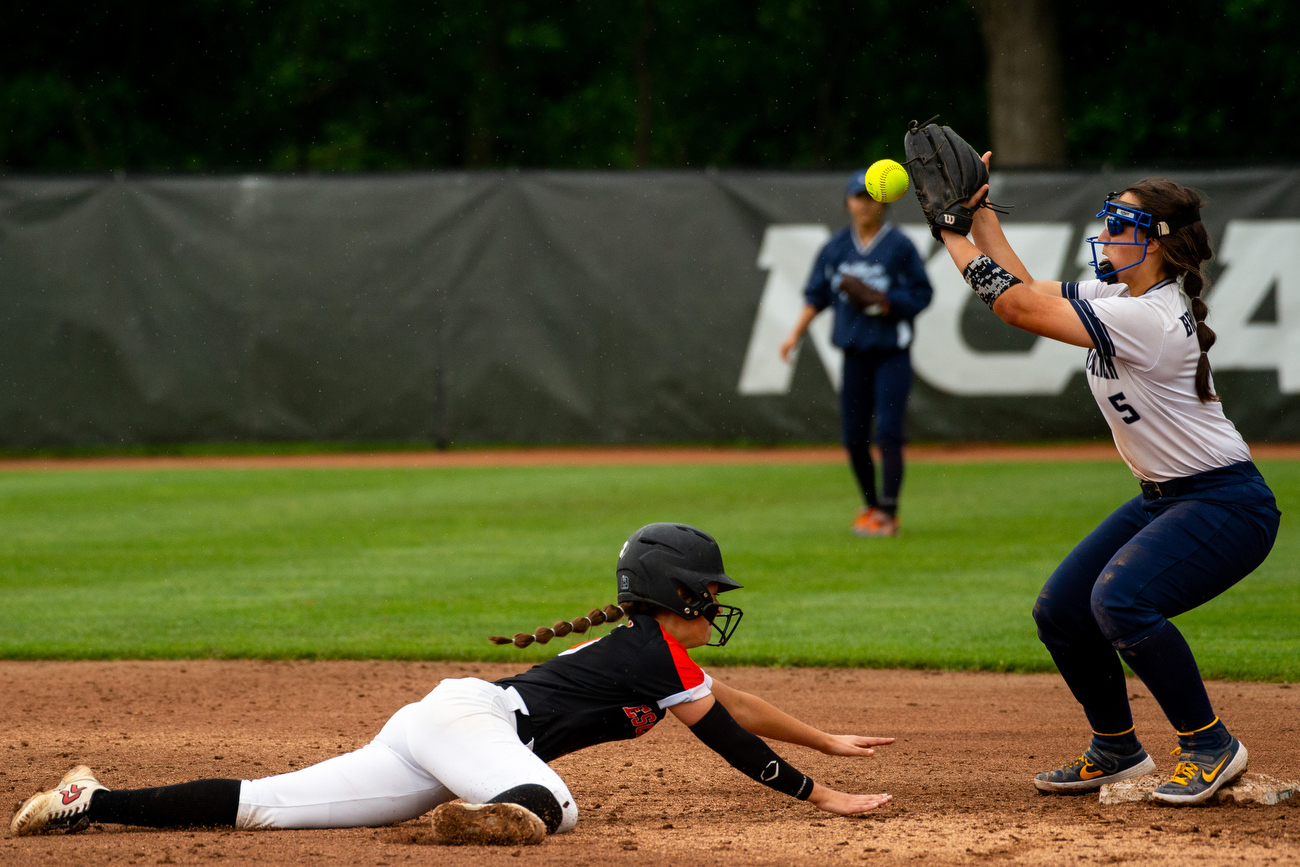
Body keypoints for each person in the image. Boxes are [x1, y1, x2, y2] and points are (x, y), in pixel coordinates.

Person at [10, 523, 894, 843]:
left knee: (264, 807)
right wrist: (823, 796)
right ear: (674, 596)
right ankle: (487, 814)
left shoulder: (658, 655)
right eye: (707, 590)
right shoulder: (656, 657)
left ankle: (89, 801)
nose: (716, 602)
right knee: (553, 806)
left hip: (448, 735)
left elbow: (734, 703)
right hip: (476, 726)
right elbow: (725, 736)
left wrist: (825, 739)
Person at [935, 159, 1280, 805]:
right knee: (1062, 611)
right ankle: (1118, 748)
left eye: (1120, 224)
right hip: (1168, 497)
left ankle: (1210, 743)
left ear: (1158, 243)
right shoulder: (1121, 298)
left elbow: (1014, 307)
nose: (1105, 232)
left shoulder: (1150, 317)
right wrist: (978, 215)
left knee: (1120, 601)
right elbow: (1027, 288)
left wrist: (949, 234)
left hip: (1225, 502)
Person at [780, 170, 933, 537]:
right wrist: (794, 334)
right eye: (858, 196)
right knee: (853, 437)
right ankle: (871, 506)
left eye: (871, 197)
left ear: (884, 202)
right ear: (848, 202)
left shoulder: (899, 246)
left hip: (891, 353)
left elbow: (922, 294)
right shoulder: (835, 247)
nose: (864, 204)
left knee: (889, 434)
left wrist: (885, 302)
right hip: (853, 354)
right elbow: (816, 296)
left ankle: (888, 514)